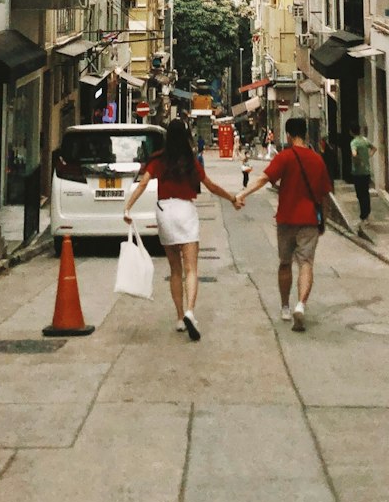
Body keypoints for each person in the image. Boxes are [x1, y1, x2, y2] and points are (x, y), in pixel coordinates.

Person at [123, 118, 241, 341]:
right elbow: (211, 186)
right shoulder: (191, 160)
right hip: (186, 210)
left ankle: (179, 318)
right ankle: (190, 311)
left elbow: (143, 184)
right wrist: (232, 198)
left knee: (175, 269)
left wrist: (128, 207)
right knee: (191, 269)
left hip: (164, 212)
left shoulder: (158, 159)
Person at [236, 116, 332, 333]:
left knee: (285, 263)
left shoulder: (285, 157)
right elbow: (325, 196)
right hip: (309, 220)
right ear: (305, 134)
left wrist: (242, 193)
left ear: (288, 135)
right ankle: (301, 304)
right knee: (306, 263)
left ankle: (286, 307)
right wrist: (322, 221)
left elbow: (263, 179)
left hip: (286, 219)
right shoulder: (317, 160)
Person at [348, 122, 377, 223]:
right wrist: (368, 156)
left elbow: (354, 154)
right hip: (367, 171)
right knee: (366, 193)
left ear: (351, 132)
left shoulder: (354, 142)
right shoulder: (365, 140)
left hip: (358, 173)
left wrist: (357, 161)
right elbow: (374, 148)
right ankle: (367, 214)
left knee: (360, 194)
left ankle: (363, 216)